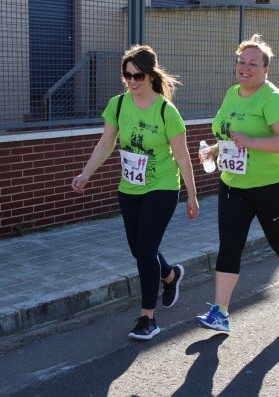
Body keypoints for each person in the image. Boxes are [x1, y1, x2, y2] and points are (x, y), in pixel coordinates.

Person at [71, 45, 199, 340]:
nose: (131, 81)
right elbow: (105, 144)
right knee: (139, 249)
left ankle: (147, 318)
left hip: (162, 186)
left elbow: (182, 156)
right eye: (126, 75)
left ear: (150, 75)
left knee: (144, 249)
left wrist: (191, 196)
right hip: (130, 187)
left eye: (138, 75)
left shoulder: (167, 111)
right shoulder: (118, 105)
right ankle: (171, 275)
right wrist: (85, 174)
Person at [193, 34, 279, 333]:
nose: (245, 68)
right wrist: (216, 150)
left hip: (271, 185)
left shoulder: (272, 98)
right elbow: (229, 134)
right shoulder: (232, 93)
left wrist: (251, 141)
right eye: (241, 62)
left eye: (253, 64)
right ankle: (220, 312)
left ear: (265, 70)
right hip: (233, 184)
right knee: (229, 246)